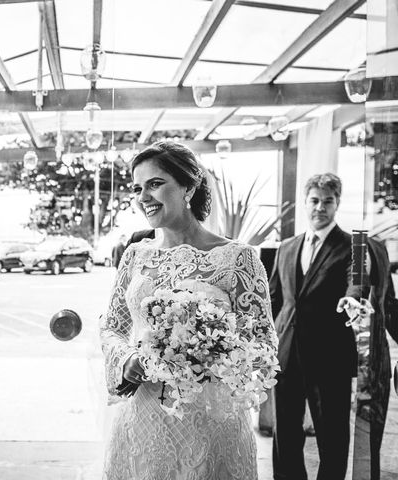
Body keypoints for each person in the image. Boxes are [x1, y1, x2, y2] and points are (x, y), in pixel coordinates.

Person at [99, 140, 277, 479]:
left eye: (155, 183)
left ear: (189, 187)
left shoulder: (237, 258)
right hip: (143, 415)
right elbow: (112, 326)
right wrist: (126, 359)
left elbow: (263, 343)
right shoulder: (135, 256)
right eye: (138, 187)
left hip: (210, 421)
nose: (143, 196)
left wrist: (208, 350)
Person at [269, 173, 358, 480]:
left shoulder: (352, 246)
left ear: (337, 204)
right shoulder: (287, 247)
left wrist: (353, 299)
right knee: (285, 434)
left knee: (332, 436)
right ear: (304, 203)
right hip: (286, 351)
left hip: (329, 354)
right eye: (315, 200)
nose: (320, 207)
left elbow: (355, 282)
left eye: (328, 201)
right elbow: (274, 299)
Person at [337, 236, 398, 480]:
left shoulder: (367, 246)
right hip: (362, 349)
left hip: (367, 350)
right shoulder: (370, 246)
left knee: (366, 422)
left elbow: (386, 303)